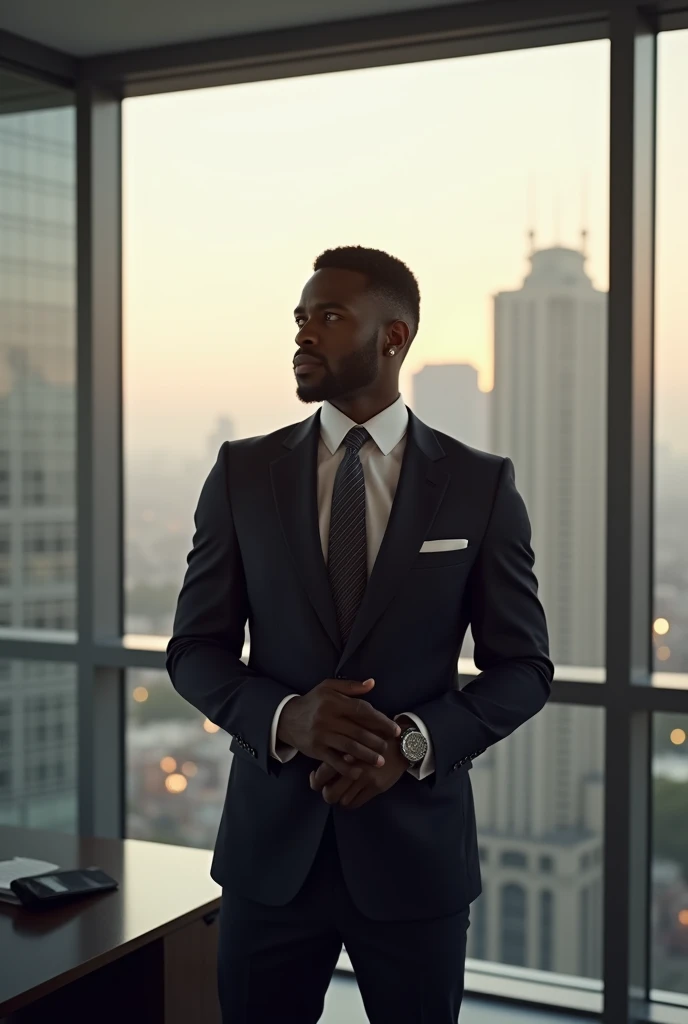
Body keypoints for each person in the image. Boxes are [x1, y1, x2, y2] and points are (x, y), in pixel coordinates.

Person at [166, 245, 552, 1024]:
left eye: (330, 316)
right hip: (269, 855)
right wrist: (285, 717)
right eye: (301, 319)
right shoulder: (243, 472)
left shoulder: (479, 484)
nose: (305, 334)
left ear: (393, 337)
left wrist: (411, 744)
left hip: (417, 858)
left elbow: (524, 668)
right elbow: (194, 650)